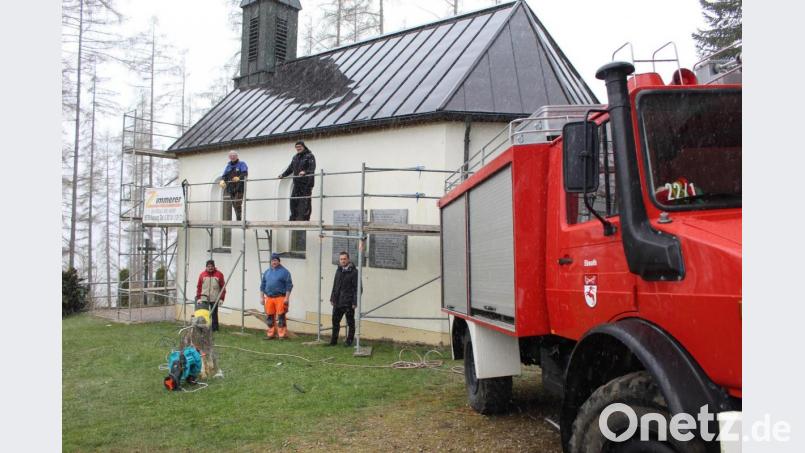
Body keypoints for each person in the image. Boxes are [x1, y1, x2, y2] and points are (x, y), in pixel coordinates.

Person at [278, 141, 316, 221]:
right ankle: (294, 217)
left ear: (304, 147)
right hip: (297, 182)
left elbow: (312, 168)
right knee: (293, 200)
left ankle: (305, 218)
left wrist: (305, 172)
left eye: (300, 146)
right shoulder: (295, 157)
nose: (298, 148)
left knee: (305, 200)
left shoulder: (309, 156)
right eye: (297, 147)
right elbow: (290, 168)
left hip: (306, 182)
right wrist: (283, 175)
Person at [328, 251, 359, 346]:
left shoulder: (354, 272)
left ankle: (349, 341)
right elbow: (335, 285)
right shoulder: (338, 270)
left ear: (348, 259)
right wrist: (332, 298)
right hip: (337, 301)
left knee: (350, 322)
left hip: (348, 302)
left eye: (344, 259)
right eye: (341, 259)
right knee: (335, 322)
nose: (343, 261)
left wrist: (354, 302)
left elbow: (357, 288)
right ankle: (333, 341)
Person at [260, 253, 293, 339]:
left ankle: (282, 334)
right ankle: (271, 334)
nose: (273, 262)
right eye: (272, 260)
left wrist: (287, 298)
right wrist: (261, 297)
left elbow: (289, 286)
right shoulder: (267, 272)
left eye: (275, 260)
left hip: (280, 298)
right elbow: (262, 285)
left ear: (278, 261)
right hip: (269, 298)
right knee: (270, 316)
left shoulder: (285, 272)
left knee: (281, 316)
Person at [196, 259, 226, 332]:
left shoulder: (219, 274)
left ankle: (215, 329)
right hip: (204, 298)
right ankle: (203, 328)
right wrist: (199, 298)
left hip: (214, 298)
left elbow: (223, 288)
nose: (210, 268)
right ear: (206, 267)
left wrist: (221, 298)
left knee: (214, 314)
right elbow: (199, 287)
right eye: (208, 266)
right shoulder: (202, 275)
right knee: (204, 314)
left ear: (214, 266)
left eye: (211, 266)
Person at [219, 150, 248, 221]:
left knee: (237, 203)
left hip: (239, 187)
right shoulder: (228, 166)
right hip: (231, 187)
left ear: (237, 156)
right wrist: (222, 180)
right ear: (229, 157)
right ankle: (238, 218)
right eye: (231, 156)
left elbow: (245, 173)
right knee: (234, 204)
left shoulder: (242, 164)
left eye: (234, 155)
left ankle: (239, 219)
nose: (232, 157)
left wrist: (239, 177)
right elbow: (224, 176)